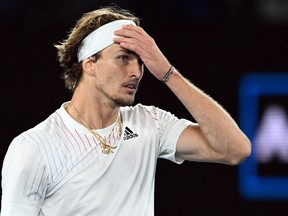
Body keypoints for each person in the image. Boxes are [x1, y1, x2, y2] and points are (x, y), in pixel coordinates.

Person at [1, 6, 251, 216]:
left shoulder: (151, 123)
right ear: (89, 64)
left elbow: (235, 150)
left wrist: (168, 72)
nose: (137, 71)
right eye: (124, 58)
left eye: (141, 61)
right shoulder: (33, 148)